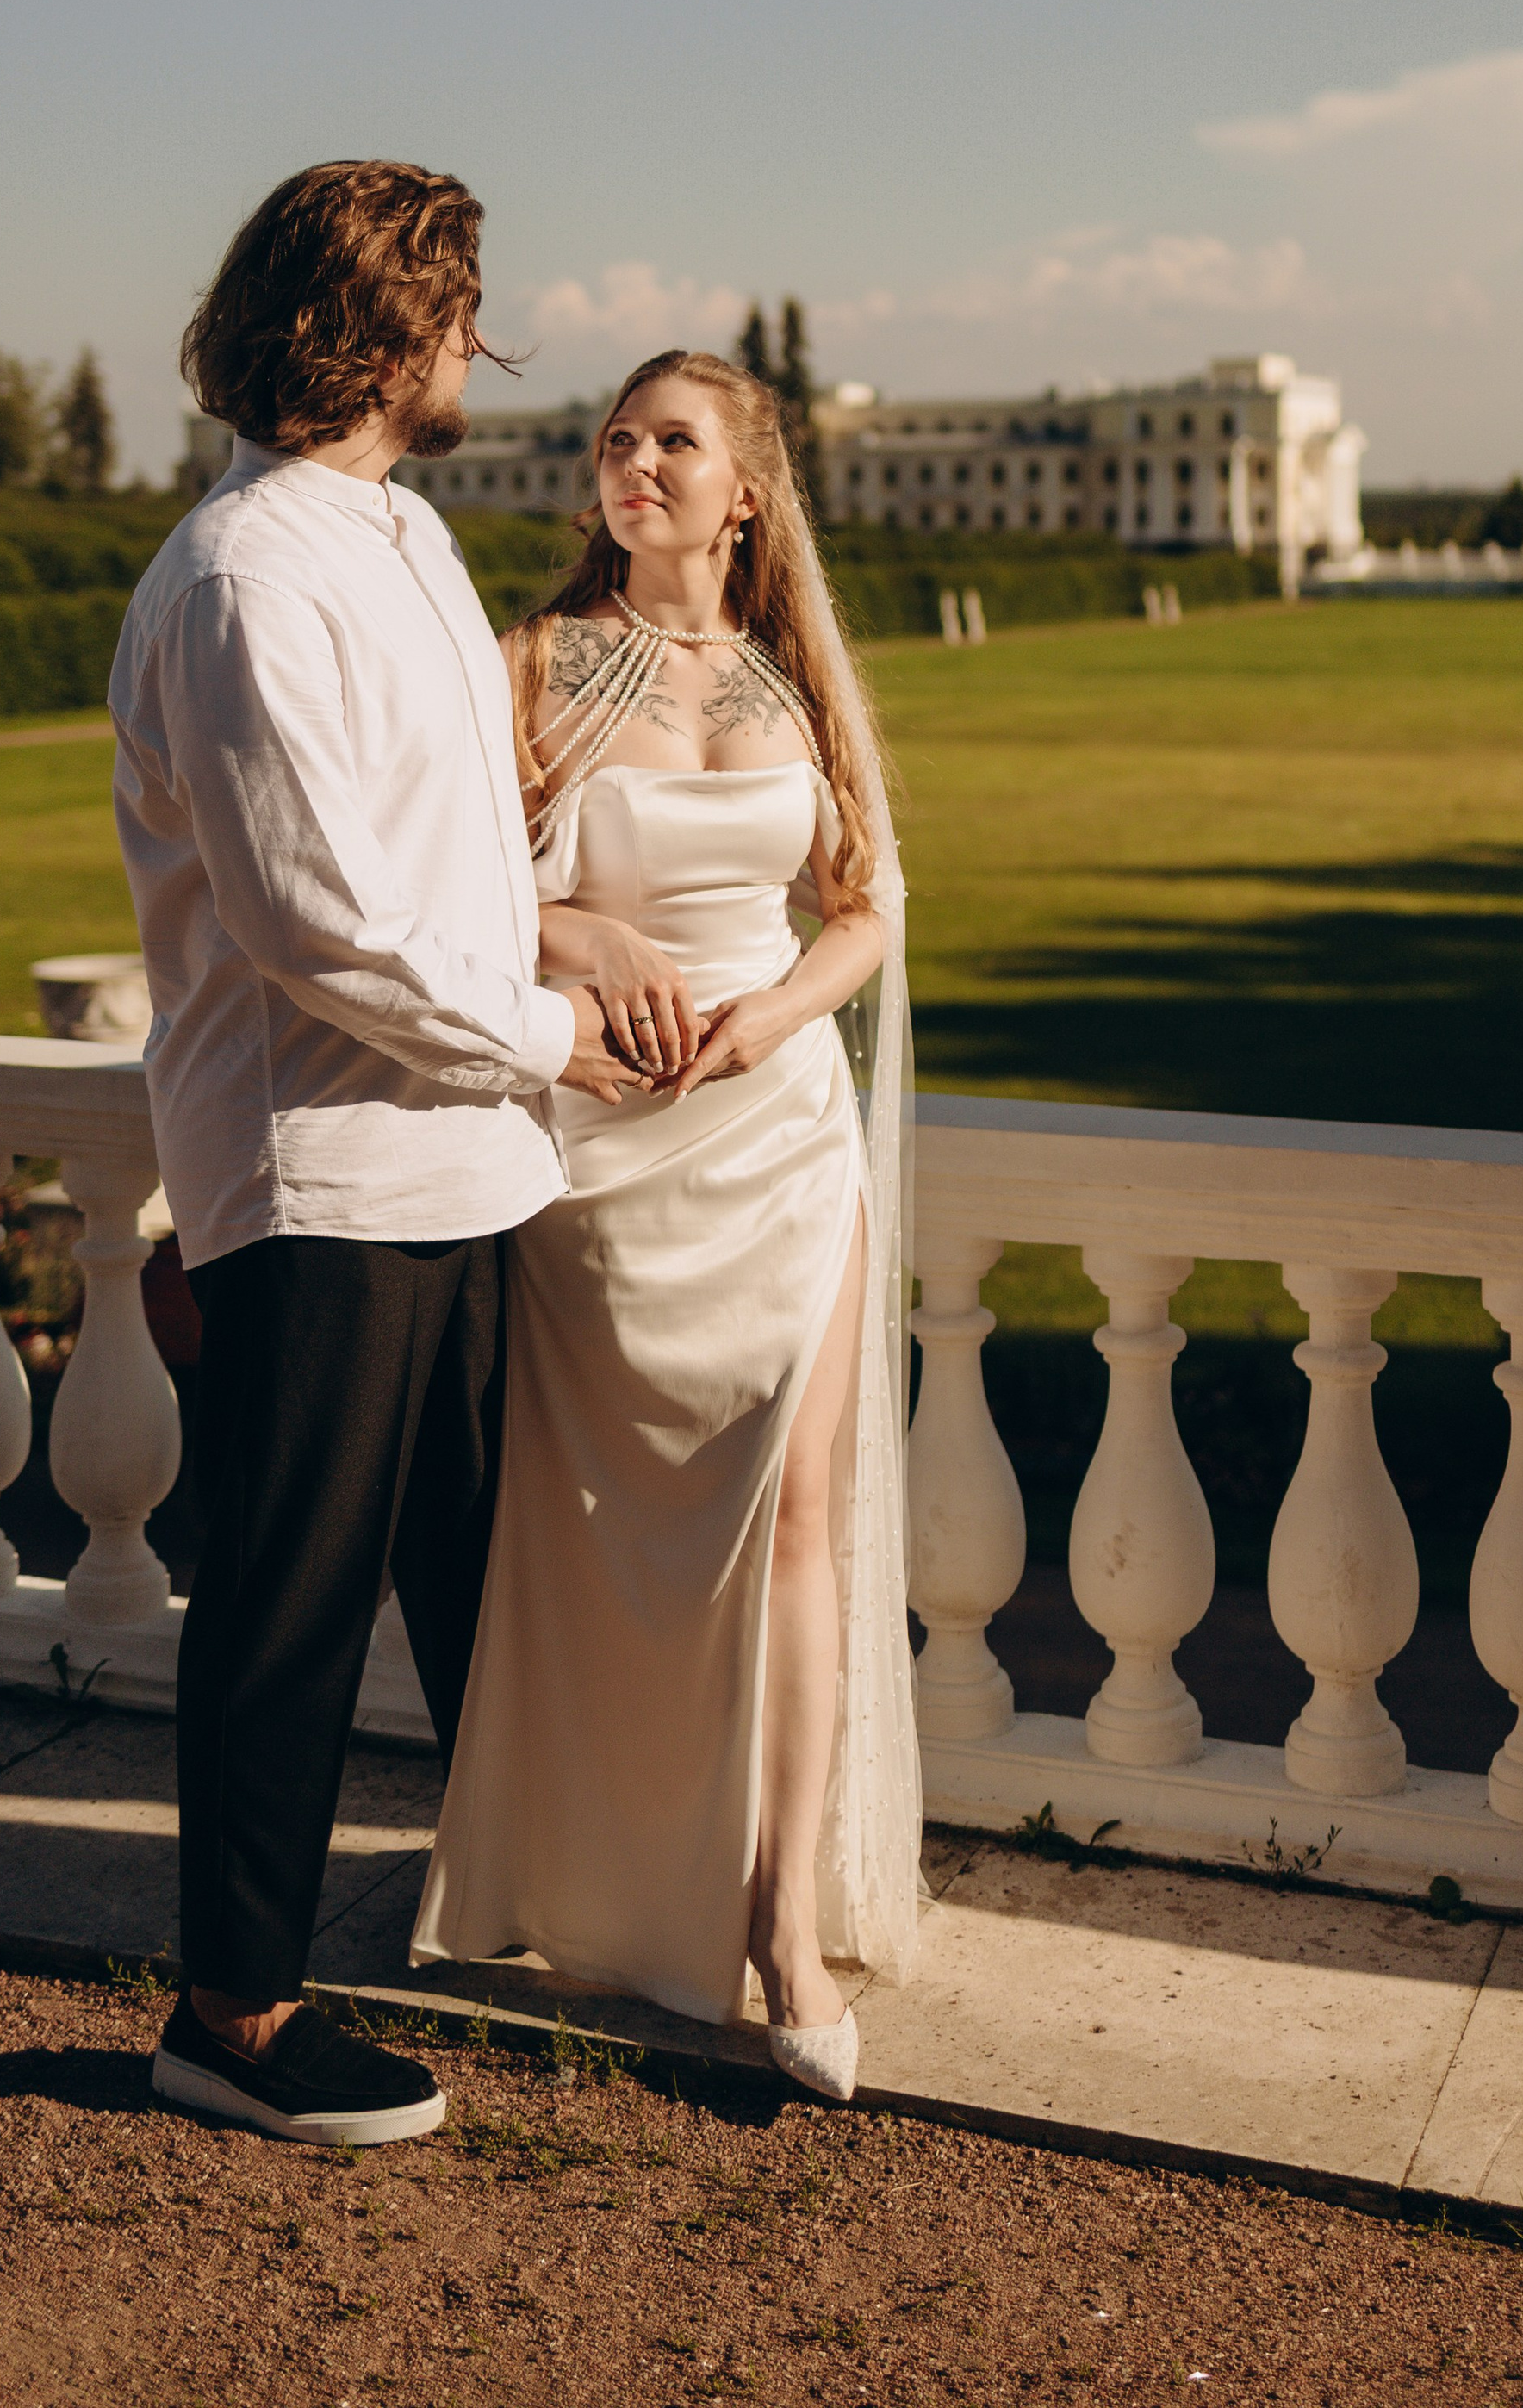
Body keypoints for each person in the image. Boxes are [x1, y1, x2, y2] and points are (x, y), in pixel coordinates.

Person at [107, 160, 636, 2148]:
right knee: (286, 1595)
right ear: (376, 327)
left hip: (472, 1158)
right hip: (318, 1172)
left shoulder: (400, 539)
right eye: (460, 305)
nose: (482, 342)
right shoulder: (245, 575)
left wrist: (563, 949)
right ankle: (229, 2016)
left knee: (487, 1580)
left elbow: (448, 856)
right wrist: (551, 1033)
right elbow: (312, 921)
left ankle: (532, 1901)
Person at [411, 349, 923, 2100]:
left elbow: (863, 905)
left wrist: (777, 1018)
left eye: (671, 441)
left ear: (745, 487)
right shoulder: (529, 664)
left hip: (781, 1134)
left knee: (798, 1516)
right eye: (615, 439)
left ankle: (779, 1929)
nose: (633, 461)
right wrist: (596, 945)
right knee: (605, 1532)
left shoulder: (796, 682)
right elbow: (447, 893)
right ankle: (604, 1866)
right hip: (607, 1151)